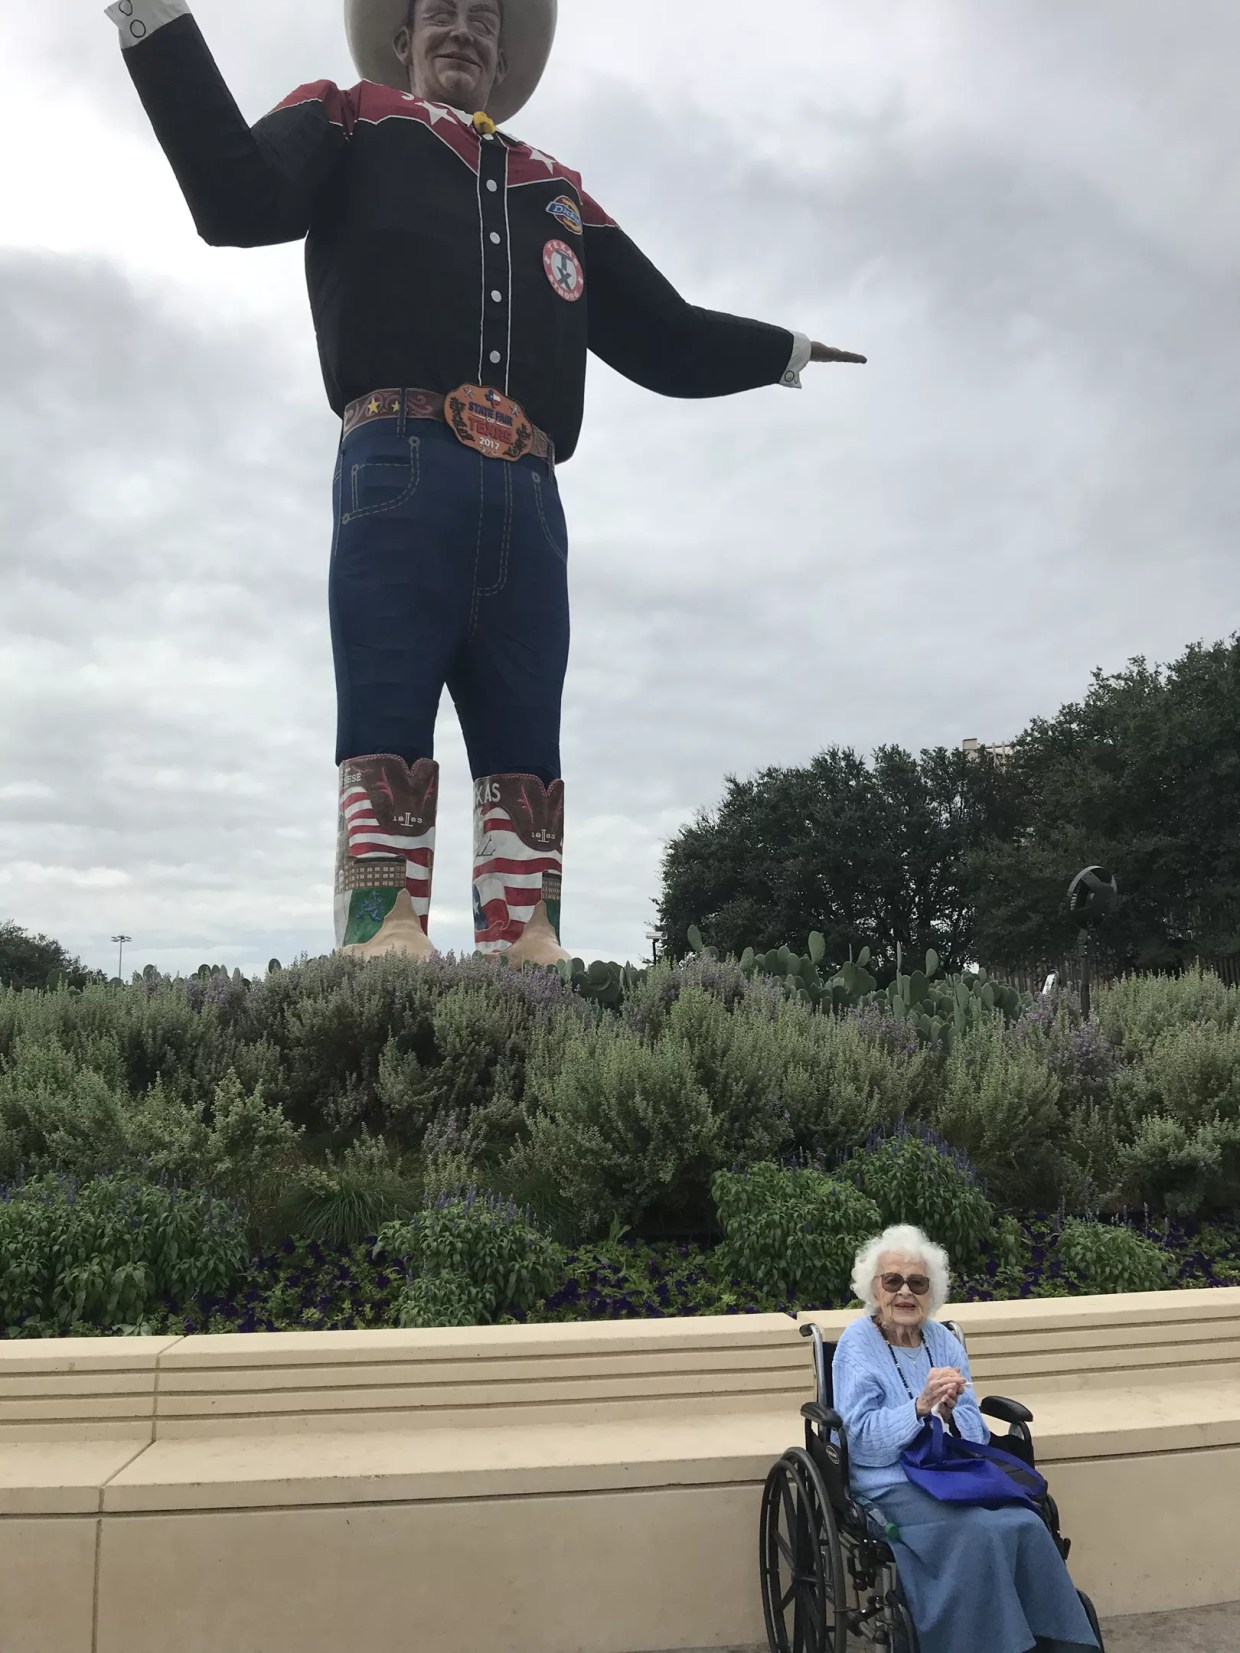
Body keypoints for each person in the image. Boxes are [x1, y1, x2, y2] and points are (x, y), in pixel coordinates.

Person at [104, 0, 866, 965]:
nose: (462, 30)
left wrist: (783, 350)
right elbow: (235, 195)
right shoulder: (352, 115)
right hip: (398, 463)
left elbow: (665, 335)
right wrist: (154, 19)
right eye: (440, 13)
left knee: (526, 736)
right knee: (387, 703)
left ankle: (526, 940)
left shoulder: (560, 193)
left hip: (531, 494)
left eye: (483, 20)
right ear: (403, 39)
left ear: (504, 56)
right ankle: (382, 929)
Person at [831, 1224, 1100, 1653]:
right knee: (979, 1532)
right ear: (874, 1289)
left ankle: (1055, 1643)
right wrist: (919, 1407)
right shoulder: (856, 1345)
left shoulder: (943, 1340)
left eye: (917, 1283)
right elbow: (861, 1443)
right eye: (893, 1281)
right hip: (891, 1481)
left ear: (931, 1291)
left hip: (954, 1474)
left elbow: (975, 1433)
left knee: (1026, 1523)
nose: (905, 1292)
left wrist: (950, 1411)